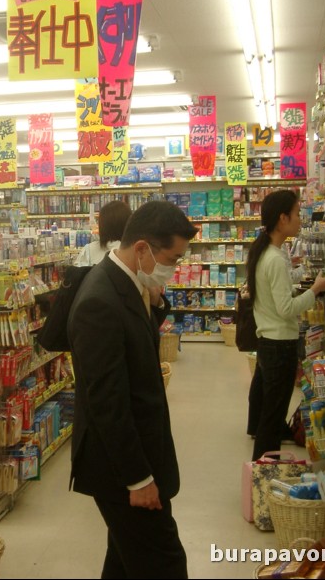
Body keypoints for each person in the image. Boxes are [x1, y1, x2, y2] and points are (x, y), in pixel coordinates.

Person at [67, 200, 197, 579]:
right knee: (164, 562)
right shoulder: (98, 301)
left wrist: (154, 305)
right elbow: (108, 402)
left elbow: (133, 347)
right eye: (172, 259)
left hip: (136, 453)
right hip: (119, 469)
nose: (173, 269)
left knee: (124, 560)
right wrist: (138, 480)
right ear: (142, 249)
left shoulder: (127, 282)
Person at [246, 190, 325, 460]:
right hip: (279, 345)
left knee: (270, 415)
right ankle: (263, 474)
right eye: (296, 214)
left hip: (269, 342)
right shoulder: (273, 258)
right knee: (273, 418)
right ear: (282, 219)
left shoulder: (266, 253)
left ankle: (263, 471)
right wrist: (315, 290)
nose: (300, 219)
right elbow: (286, 309)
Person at [74, 200, 132, 267]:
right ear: (128, 224)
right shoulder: (134, 253)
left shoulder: (88, 250)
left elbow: (76, 274)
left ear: (102, 225)